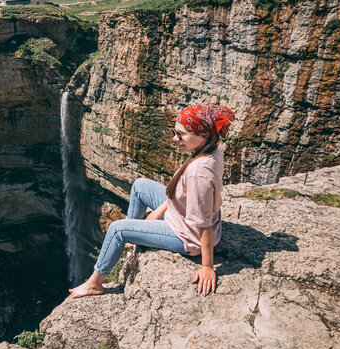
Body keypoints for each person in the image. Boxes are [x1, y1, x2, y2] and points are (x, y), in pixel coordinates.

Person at [69, 104, 235, 298]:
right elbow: (184, 195)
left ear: (203, 135)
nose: (175, 138)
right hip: (181, 214)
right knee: (140, 186)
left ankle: (94, 284)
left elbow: (204, 224)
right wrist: (160, 209)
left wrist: (207, 266)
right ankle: (134, 234)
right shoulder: (211, 151)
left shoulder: (198, 173)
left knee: (117, 229)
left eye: (181, 134)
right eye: (175, 132)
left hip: (187, 236)